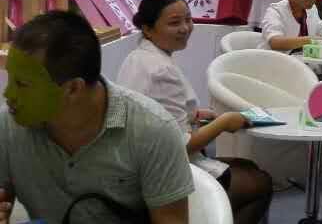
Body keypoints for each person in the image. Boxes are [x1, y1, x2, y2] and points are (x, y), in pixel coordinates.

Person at [0, 12, 193, 224]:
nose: (8, 94)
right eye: (10, 79)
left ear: (73, 88)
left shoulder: (152, 130)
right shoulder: (7, 125)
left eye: (22, 84)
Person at [117, 0, 272, 224]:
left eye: (188, 20)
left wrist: (194, 114)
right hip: (165, 173)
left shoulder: (138, 57)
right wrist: (223, 123)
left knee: (248, 167)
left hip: (138, 165)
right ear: (148, 29)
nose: (185, 28)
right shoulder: (161, 70)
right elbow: (182, 145)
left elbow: (157, 110)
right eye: (174, 23)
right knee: (261, 182)